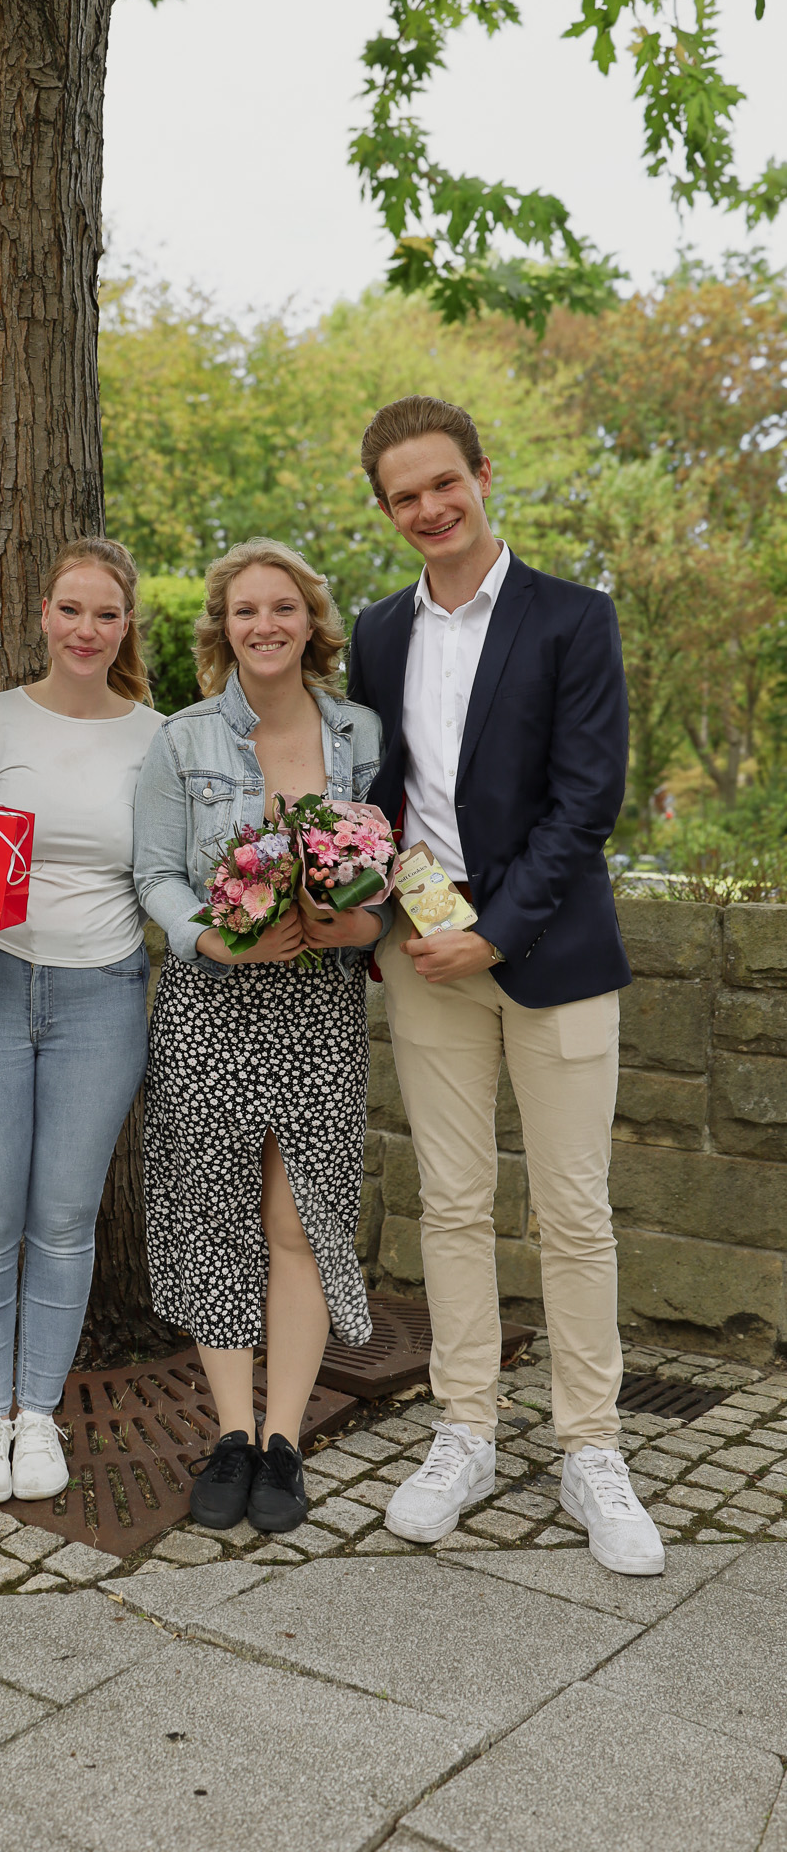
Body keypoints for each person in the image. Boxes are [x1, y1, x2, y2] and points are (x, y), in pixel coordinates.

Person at [349, 394, 663, 1577]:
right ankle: (465, 1429)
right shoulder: (379, 631)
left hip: (554, 955)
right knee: (451, 1204)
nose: (430, 507)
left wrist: (496, 928)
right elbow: (378, 794)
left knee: (574, 1210)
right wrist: (385, 918)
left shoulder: (574, 619)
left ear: (483, 474)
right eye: (404, 496)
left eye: (444, 482)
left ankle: (591, 1445)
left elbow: (590, 801)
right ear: (387, 510)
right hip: (425, 961)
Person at [133, 539, 388, 1534]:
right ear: (222, 625)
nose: (266, 624)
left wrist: (364, 924)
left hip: (320, 1009)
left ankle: (285, 1441)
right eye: (246, 610)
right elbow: (154, 874)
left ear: (311, 621)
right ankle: (230, 1433)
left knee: (300, 1222)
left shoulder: (359, 730)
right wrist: (208, 939)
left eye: (283, 607)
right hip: (211, 1009)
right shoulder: (181, 739)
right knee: (218, 1220)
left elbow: (392, 861)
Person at [0, 538, 165, 1505]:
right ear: (40, 615)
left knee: (64, 1221)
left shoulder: (158, 735)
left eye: (105, 614)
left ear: (125, 626)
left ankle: (38, 1412)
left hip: (101, 991)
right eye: (70, 610)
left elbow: (164, 871)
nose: (85, 629)